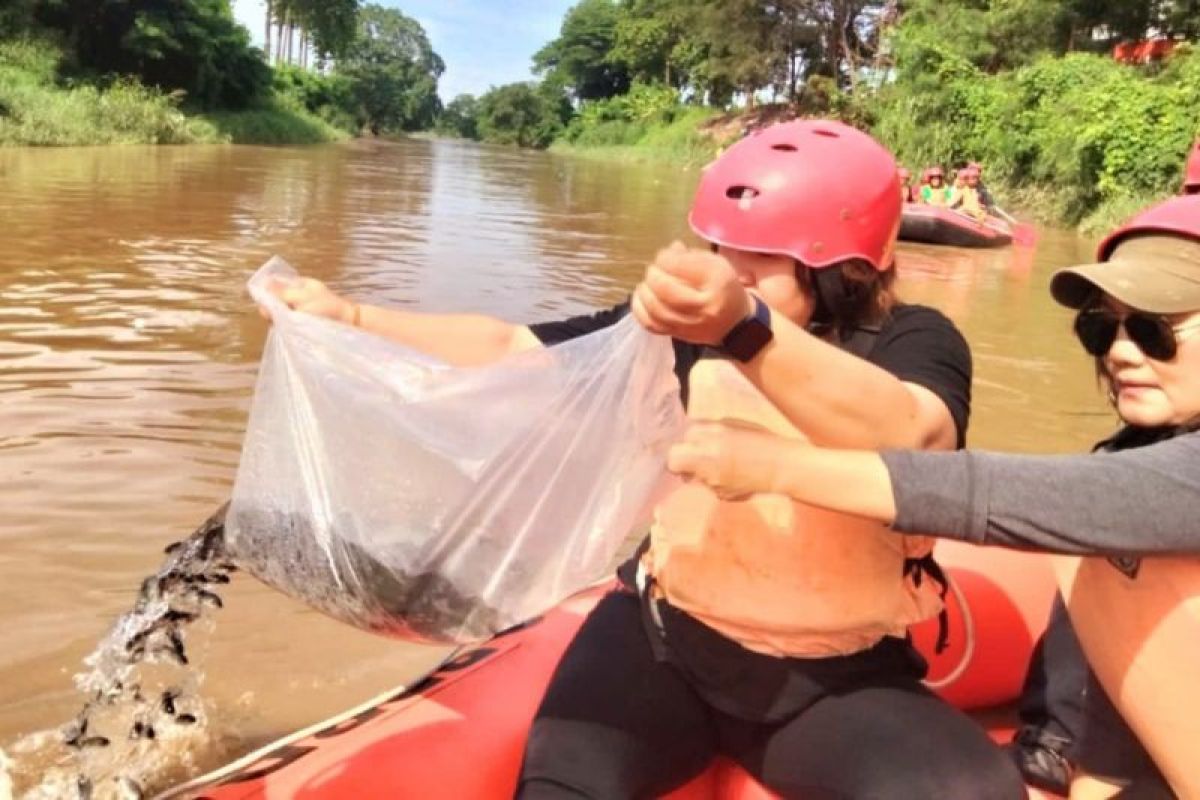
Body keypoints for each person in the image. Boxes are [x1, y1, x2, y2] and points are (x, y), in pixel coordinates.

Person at [266, 119, 1023, 799]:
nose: (730, 266)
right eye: (722, 245)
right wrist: (356, 317)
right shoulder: (689, 327)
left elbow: (918, 437)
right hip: (664, 638)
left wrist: (744, 325)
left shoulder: (913, 339)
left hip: (837, 675)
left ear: (843, 264)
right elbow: (510, 348)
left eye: (760, 255)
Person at [667, 193, 1200, 799]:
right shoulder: (1132, 456)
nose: (1121, 352)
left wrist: (780, 467)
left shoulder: (921, 339)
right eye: (1103, 326)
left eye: (1156, 330)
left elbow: (1000, 492)